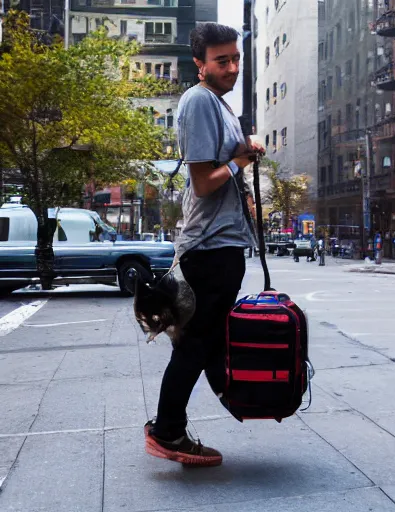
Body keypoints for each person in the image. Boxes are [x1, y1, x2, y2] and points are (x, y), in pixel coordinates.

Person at [144, 23, 264, 467]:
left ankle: (239, 401)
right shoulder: (198, 101)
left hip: (223, 245)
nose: (232, 67)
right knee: (195, 343)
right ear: (200, 64)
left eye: (236, 59)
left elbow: (225, 164)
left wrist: (244, 149)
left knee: (208, 340)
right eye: (222, 61)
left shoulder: (219, 104)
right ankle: (168, 431)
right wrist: (238, 160)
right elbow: (205, 181)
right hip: (211, 248)